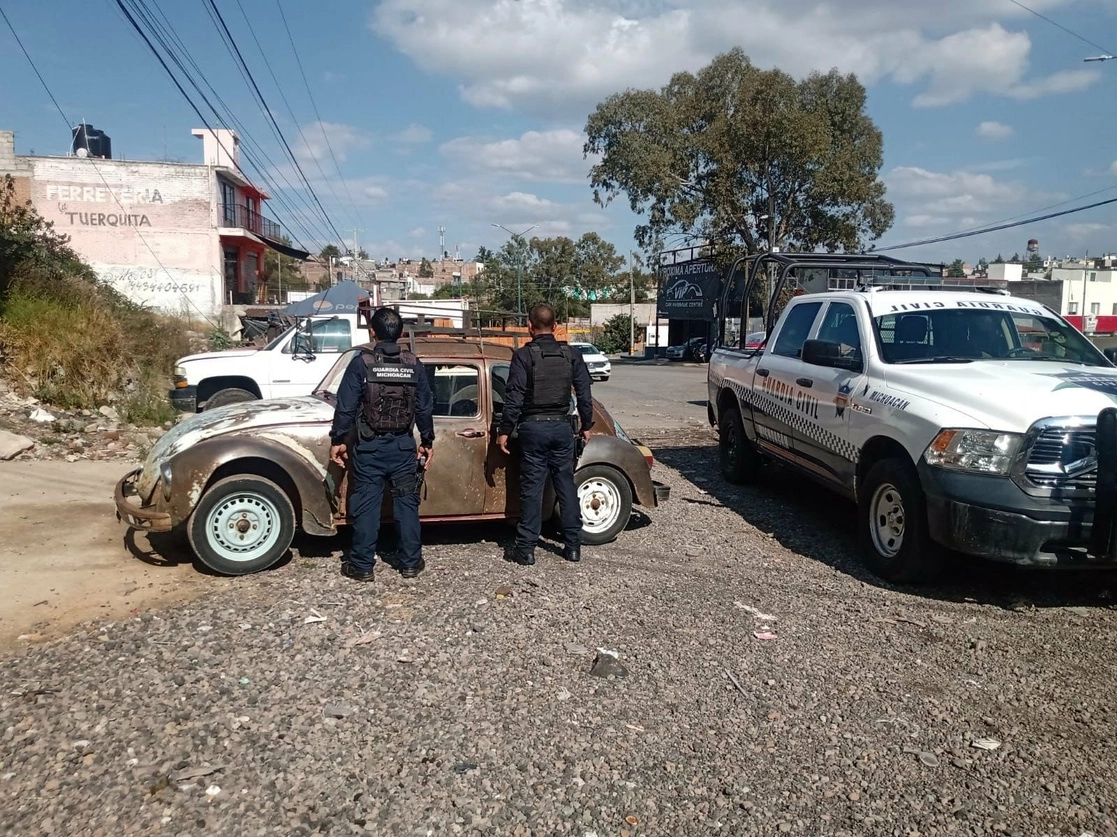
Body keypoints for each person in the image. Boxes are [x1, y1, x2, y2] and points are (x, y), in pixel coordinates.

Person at [328, 307, 434, 581]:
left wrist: (338, 439)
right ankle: (411, 562)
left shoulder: (361, 363)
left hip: (369, 447)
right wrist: (427, 440)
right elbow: (424, 406)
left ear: (373, 331)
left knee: (367, 505)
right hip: (402, 447)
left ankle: (362, 566)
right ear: (400, 333)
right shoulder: (413, 363)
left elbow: (346, 407)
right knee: (407, 504)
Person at [497, 303, 594, 565]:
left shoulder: (523, 356)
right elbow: (584, 393)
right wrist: (587, 425)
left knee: (532, 488)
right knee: (565, 484)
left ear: (529, 326)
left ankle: (527, 549)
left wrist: (505, 430)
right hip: (563, 428)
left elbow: (514, 396)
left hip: (532, 429)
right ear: (556, 327)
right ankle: (573, 546)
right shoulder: (571, 355)